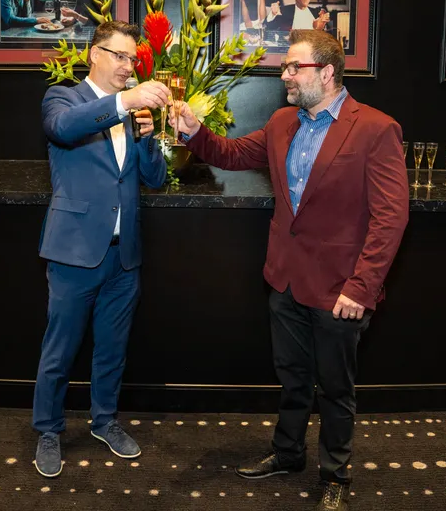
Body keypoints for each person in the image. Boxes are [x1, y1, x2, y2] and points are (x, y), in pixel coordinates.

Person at [169, 29, 409, 510]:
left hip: (341, 288)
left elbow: (391, 216)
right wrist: (196, 132)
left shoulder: (376, 129)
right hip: (284, 278)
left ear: (326, 72)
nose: (285, 77)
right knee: (293, 376)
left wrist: (361, 289)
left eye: (293, 67)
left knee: (335, 388)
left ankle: (335, 475)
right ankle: (287, 452)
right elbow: (234, 154)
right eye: (284, 68)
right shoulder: (283, 123)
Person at [32, 20, 171, 478]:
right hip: (73, 252)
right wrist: (125, 102)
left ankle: (104, 421)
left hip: (123, 255)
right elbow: (63, 129)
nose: (129, 66)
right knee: (61, 349)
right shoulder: (64, 98)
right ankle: (49, 431)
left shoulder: (131, 115)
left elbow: (154, 179)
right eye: (120, 56)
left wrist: (149, 137)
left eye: (133, 58)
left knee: (112, 349)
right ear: (94, 54)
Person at [261, 0, 330, 33]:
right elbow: (267, 28)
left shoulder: (316, 13)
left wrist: (319, 29)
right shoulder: (284, 11)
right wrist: (273, 14)